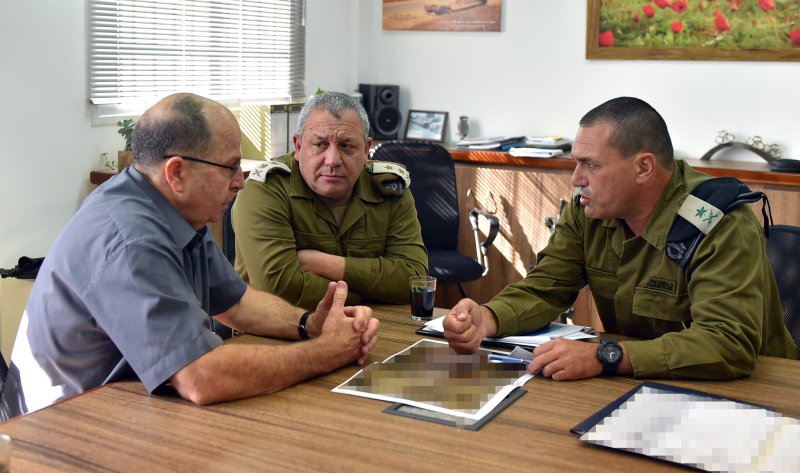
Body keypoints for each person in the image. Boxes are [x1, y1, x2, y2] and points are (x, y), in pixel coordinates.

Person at [0, 93, 379, 420]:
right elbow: (200, 377)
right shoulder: (130, 238)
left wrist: (309, 324)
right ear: (177, 172)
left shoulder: (178, 210)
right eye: (230, 166)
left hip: (134, 407)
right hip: (64, 431)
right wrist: (324, 353)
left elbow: (237, 304)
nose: (240, 180)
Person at [443, 96, 798, 381]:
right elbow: (545, 287)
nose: (576, 179)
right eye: (575, 163)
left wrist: (607, 356)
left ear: (643, 167)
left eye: (591, 165)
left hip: (755, 389)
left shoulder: (719, 222)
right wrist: (489, 318)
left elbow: (728, 343)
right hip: (637, 381)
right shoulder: (589, 211)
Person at [232, 91, 428, 309]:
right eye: (319, 144)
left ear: (366, 150)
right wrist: (360, 294)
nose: (332, 160)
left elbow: (414, 279)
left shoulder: (389, 188)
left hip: (370, 326)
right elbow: (278, 286)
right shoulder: (266, 190)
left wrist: (325, 264)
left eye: (346, 146)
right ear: (298, 146)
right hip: (272, 334)